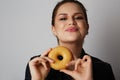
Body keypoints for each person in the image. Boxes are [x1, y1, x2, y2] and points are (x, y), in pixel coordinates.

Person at [25, 0, 115, 80]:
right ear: (54, 29)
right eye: (63, 18)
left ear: (87, 27)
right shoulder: (37, 65)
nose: (71, 22)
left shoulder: (103, 68)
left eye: (78, 17)